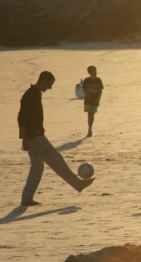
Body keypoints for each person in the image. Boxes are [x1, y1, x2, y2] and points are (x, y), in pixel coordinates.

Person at [18, 71, 95, 206]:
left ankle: (26, 199)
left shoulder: (35, 94)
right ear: (44, 81)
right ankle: (78, 184)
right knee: (56, 160)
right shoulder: (30, 95)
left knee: (37, 167)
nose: (50, 88)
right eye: (49, 84)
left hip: (33, 136)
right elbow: (21, 119)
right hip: (35, 137)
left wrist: (25, 138)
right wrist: (24, 139)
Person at [83, 65, 104, 137]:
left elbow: (100, 90)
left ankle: (90, 128)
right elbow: (84, 89)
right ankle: (89, 129)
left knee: (92, 114)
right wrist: (86, 93)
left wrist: (98, 99)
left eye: (96, 71)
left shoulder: (98, 80)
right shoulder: (86, 80)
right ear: (90, 72)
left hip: (95, 100)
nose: (95, 72)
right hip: (88, 100)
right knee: (89, 114)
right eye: (93, 71)